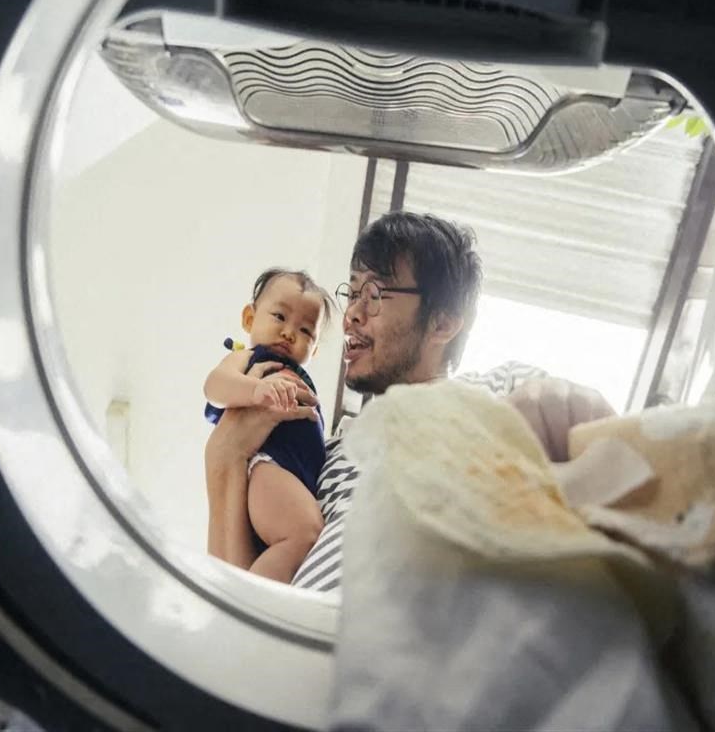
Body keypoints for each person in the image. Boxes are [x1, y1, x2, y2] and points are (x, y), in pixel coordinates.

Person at [204, 212, 614, 591]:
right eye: (353, 293)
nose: (351, 316)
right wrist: (223, 456)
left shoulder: (498, 388)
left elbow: (605, 447)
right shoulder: (322, 456)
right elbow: (237, 597)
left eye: (375, 294)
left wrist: (538, 418)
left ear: (443, 322)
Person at [203, 268, 335, 583]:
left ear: (315, 350)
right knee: (303, 534)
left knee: (295, 541)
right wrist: (255, 391)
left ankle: (255, 587)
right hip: (266, 465)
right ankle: (252, 599)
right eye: (279, 316)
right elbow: (214, 386)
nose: (289, 333)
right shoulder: (249, 358)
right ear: (249, 318)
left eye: (306, 331)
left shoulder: (298, 375)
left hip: (294, 477)